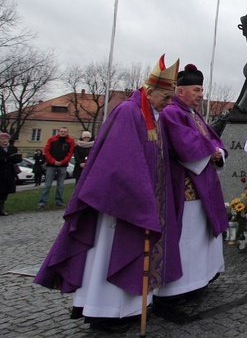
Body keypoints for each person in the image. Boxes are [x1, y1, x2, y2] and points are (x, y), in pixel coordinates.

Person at [34, 55, 182, 332]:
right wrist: (140, 195)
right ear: (149, 91)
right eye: (165, 95)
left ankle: (124, 310)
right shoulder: (129, 112)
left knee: (133, 252)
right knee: (109, 253)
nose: (169, 101)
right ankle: (102, 311)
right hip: (119, 203)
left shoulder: (153, 116)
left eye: (171, 96)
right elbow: (119, 161)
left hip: (141, 202)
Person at [157, 64, 228, 302]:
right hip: (184, 187)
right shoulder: (172, 113)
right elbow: (184, 144)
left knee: (199, 237)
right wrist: (212, 152)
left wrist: (217, 150)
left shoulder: (192, 114)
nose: (201, 95)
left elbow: (211, 138)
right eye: (196, 90)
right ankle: (177, 288)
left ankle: (199, 279)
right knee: (186, 239)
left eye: (201, 90)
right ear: (180, 91)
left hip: (202, 186)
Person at [38, 127, 75, 209]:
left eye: (65, 132)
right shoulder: (52, 140)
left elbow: (70, 153)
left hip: (63, 166)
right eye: (61, 131)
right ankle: (42, 202)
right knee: (47, 185)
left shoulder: (70, 141)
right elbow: (46, 151)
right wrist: (53, 161)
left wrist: (63, 162)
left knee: (60, 185)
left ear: (67, 133)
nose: (63, 133)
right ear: (58, 132)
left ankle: (59, 201)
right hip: (51, 165)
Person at [0, 132, 22, 216]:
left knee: (5, 191)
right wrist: (7, 159)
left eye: (6, 139)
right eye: (2, 139)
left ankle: (2, 208)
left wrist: (16, 159)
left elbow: (16, 158)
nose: (4, 140)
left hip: (9, 172)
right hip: (0, 171)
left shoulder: (13, 148)